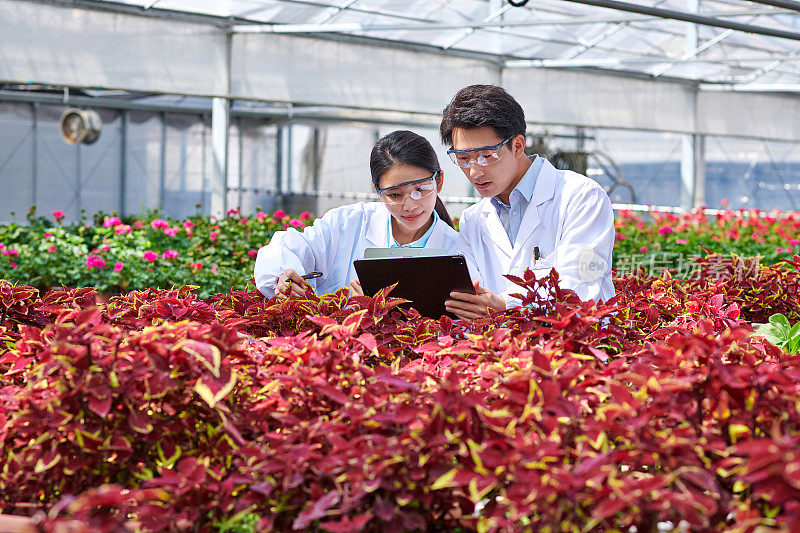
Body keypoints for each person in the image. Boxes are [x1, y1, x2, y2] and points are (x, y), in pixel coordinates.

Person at [441, 84, 616, 320]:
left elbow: (581, 285)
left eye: (486, 156)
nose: (474, 172)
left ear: (517, 146)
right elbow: (473, 298)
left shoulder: (582, 197)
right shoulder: (473, 220)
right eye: (463, 158)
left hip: (573, 348)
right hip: (501, 352)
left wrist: (506, 304)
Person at [254, 130, 459, 299]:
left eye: (420, 189)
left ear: (438, 181)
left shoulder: (458, 250)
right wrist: (284, 276)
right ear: (377, 191)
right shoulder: (347, 224)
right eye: (394, 194)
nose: (410, 205)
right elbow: (283, 248)